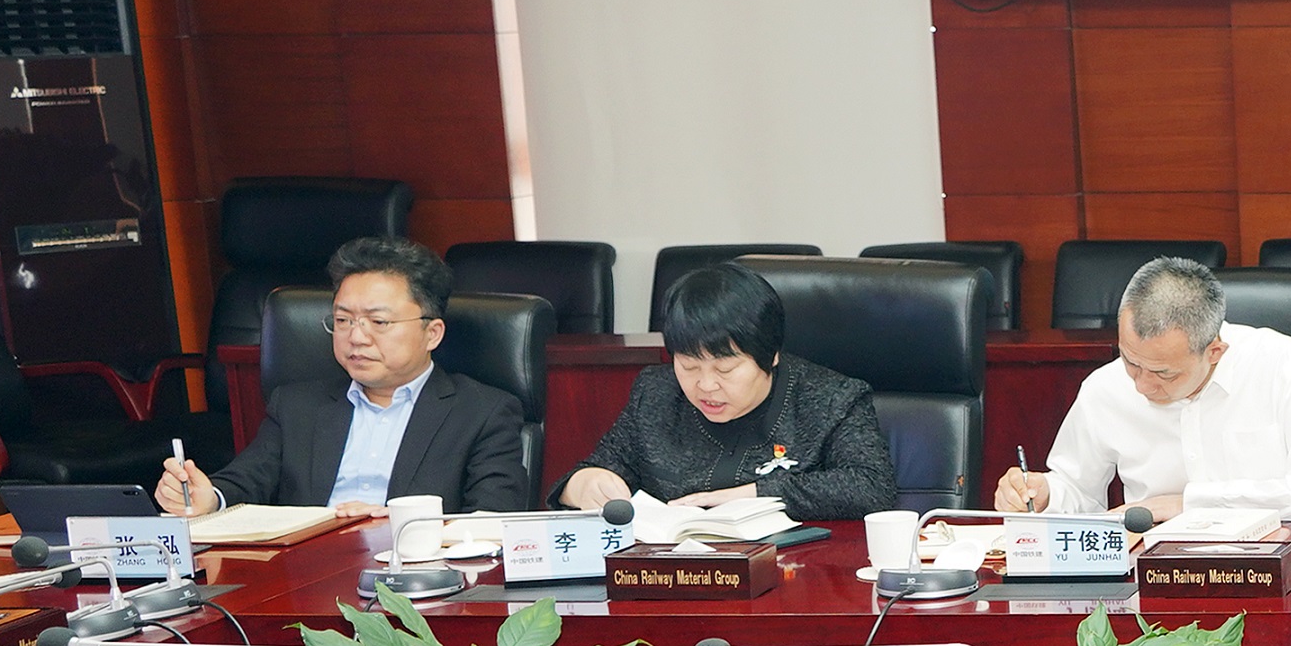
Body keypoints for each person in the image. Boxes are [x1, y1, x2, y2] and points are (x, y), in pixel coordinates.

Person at [157, 236, 533, 518]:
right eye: (343, 320)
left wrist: (402, 525)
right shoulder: (296, 406)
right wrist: (207, 497)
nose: (357, 337)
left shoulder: (483, 412)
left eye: (378, 322)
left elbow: (494, 518)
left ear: (432, 333)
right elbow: (246, 479)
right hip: (308, 578)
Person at [996, 255, 1291, 519]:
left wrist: (1188, 504)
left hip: (1270, 565)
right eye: (1131, 362)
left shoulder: (1278, 364)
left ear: (1214, 352)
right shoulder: (1104, 388)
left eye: (1163, 374)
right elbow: (1078, 490)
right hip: (1150, 572)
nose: (1141, 385)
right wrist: (1045, 494)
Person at [558, 259, 900, 521]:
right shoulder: (655, 394)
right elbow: (592, 470)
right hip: (674, 574)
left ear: (771, 355)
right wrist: (583, 484)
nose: (706, 385)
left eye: (725, 369)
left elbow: (872, 487)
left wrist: (755, 495)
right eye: (689, 366)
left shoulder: (832, 399)